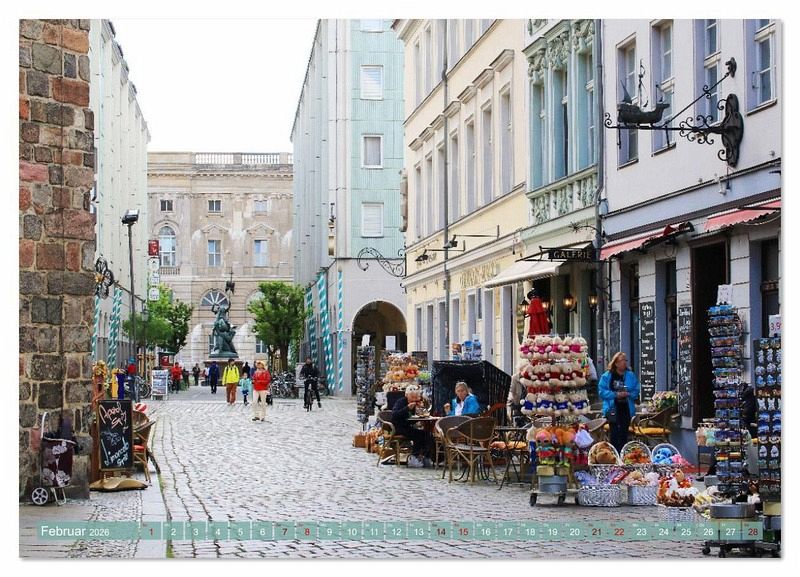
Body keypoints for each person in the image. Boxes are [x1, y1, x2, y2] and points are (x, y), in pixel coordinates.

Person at [598, 352, 641, 453]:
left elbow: (636, 389)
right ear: (616, 363)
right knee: (614, 433)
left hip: (626, 408)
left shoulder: (630, 375)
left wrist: (628, 394)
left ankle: (622, 454)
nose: (625, 362)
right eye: (622, 360)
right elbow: (602, 391)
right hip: (612, 409)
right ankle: (614, 454)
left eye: (626, 360)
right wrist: (615, 395)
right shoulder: (607, 376)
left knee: (623, 434)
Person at [391, 384, 433, 468]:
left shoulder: (416, 404)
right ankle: (413, 457)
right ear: (406, 395)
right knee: (418, 435)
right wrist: (407, 408)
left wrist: (420, 412)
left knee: (427, 434)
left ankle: (426, 457)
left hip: (408, 426)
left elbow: (413, 418)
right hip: (399, 427)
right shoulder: (401, 402)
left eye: (416, 397)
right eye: (412, 397)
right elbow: (395, 415)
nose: (414, 399)